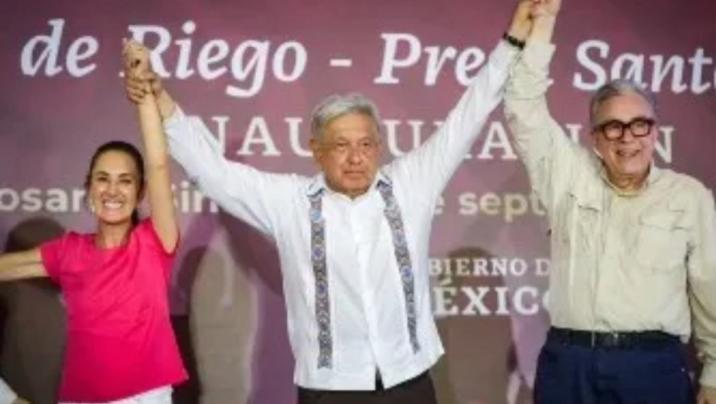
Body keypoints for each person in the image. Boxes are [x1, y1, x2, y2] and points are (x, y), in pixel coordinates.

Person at [124, 3, 531, 402]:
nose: (355, 158)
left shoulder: (410, 184)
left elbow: (468, 116)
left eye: (365, 144)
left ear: (378, 147)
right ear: (316, 151)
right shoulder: (291, 203)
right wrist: (161, 101)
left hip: (409, 381)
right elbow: (213, 172)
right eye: (341, 145)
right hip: (330, 389)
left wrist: (513, 41)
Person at [504, 0, 716, 403]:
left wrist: (715, 373)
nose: (627, 138)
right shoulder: (566, 176)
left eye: (639, 125)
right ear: (595, 138)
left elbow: (711, 286)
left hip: (652, 367)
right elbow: (522, 107)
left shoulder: (688, 196)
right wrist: (543, 24)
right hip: (570, 364)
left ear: (655, 132)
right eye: (613, 127)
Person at [0, 41, 187, 403]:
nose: (112, 190)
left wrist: (143, 90)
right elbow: (9, 266)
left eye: (125, 180)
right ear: (89, 189)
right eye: (103, 179)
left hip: (144, 397)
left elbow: (158, 163)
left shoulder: (154, 242)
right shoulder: (69, 251)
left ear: (141, 192)